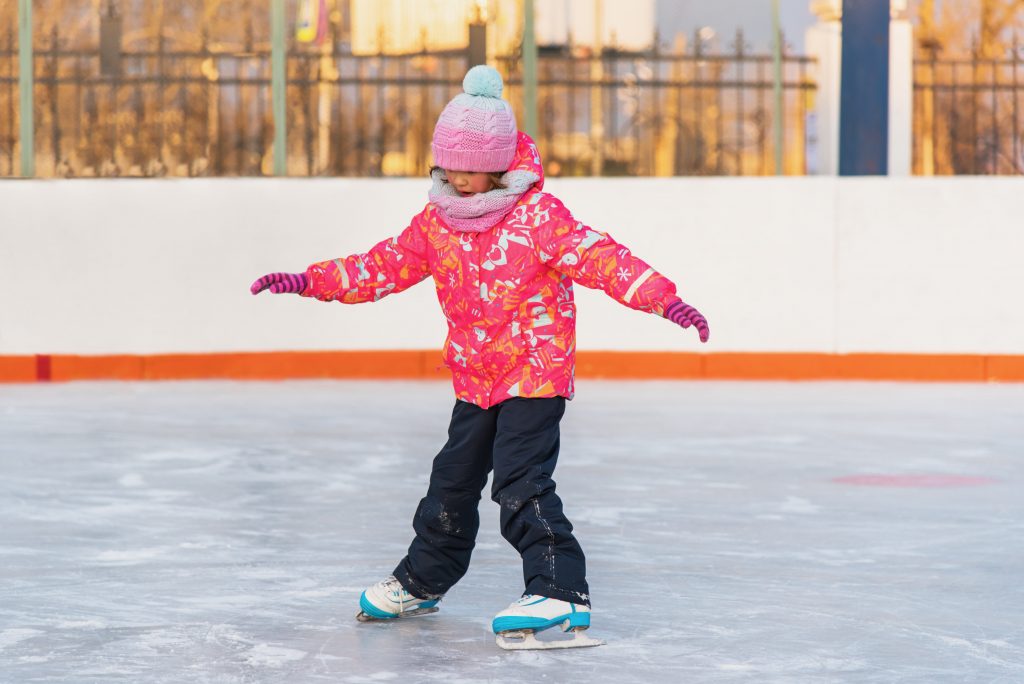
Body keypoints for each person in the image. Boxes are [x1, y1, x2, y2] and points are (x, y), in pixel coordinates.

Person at [250, 65, 709, 646]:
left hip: (535, 375)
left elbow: (603, 259)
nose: (460, 178)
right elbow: (381, 266)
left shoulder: (538, 218)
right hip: (475, 378)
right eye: (449, 165)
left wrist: (666, 301)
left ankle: (559, 592)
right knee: (451, 483)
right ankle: (424, 579)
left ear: (498, 162)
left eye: (471, 166)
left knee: (520, 483)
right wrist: (308, 280)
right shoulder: (436, 223)